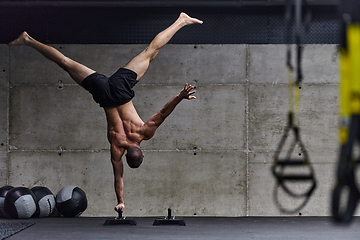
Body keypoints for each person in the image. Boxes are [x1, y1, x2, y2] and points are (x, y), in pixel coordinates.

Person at [8, 12, 203, 213]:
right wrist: (121, 201)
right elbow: (118, 176)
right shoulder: (117, 147)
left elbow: (163, 113)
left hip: (121, 89)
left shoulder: (144, 133)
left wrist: (180, 97)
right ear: (127, 156)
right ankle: (28, 40)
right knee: (65, 63)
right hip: (104, 96)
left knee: (150, 51)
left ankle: (181, 20)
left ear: (142, 153)